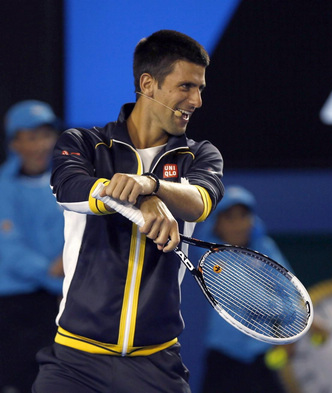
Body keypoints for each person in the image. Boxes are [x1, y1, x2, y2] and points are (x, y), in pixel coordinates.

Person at [32, 30, 225, 393]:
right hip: (74, 364)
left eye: (200, 89)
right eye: (185, 87)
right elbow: (69, 190)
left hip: (157, 366)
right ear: (148, 84)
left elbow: (201, 201)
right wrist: (138, 199)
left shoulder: (200, 155)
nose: (196, 100)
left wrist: (151, 186)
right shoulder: (83, 143)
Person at [190, 185, 290, 393]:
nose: (238, 224)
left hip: (261, 357)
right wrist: (291, 313)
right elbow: (252, 299)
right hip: (225, 359)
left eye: (243, 216)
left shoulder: (265, 247)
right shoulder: (210, 258)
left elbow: (290, 288)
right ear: (217, 224)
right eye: (230, 218)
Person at [0, 100, 64, 393]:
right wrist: (53, 270)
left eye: (45, 135)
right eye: (30, 136)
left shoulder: (71, 181)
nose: (40, 145)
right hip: (14, 309)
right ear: (14, 143)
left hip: (64, 305)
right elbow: (9, 249)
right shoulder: (3, 186)